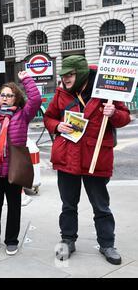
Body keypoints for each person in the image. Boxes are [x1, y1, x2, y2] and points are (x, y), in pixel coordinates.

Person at [44, 55, 131, 265]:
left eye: (70, 75)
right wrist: (57, 126)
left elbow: (125, 117)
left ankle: (107, 244)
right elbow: (48, 117)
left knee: (101, 206)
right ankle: (67, 240)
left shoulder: (106, 91)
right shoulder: (61, 94)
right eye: (63, 75)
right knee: (68, 205)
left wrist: (114, 113)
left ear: (81, 72)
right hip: (68, 157)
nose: (65, 79)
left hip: (96, 157)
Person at [0, 71, 41, 256]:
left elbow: (35, 101)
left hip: (14, 169)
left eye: (10, 95)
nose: (5, 98)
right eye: (2, 95)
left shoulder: (23, 115)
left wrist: (26, 79)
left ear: (16, 99)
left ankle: (11, 240)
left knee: (14, 207)